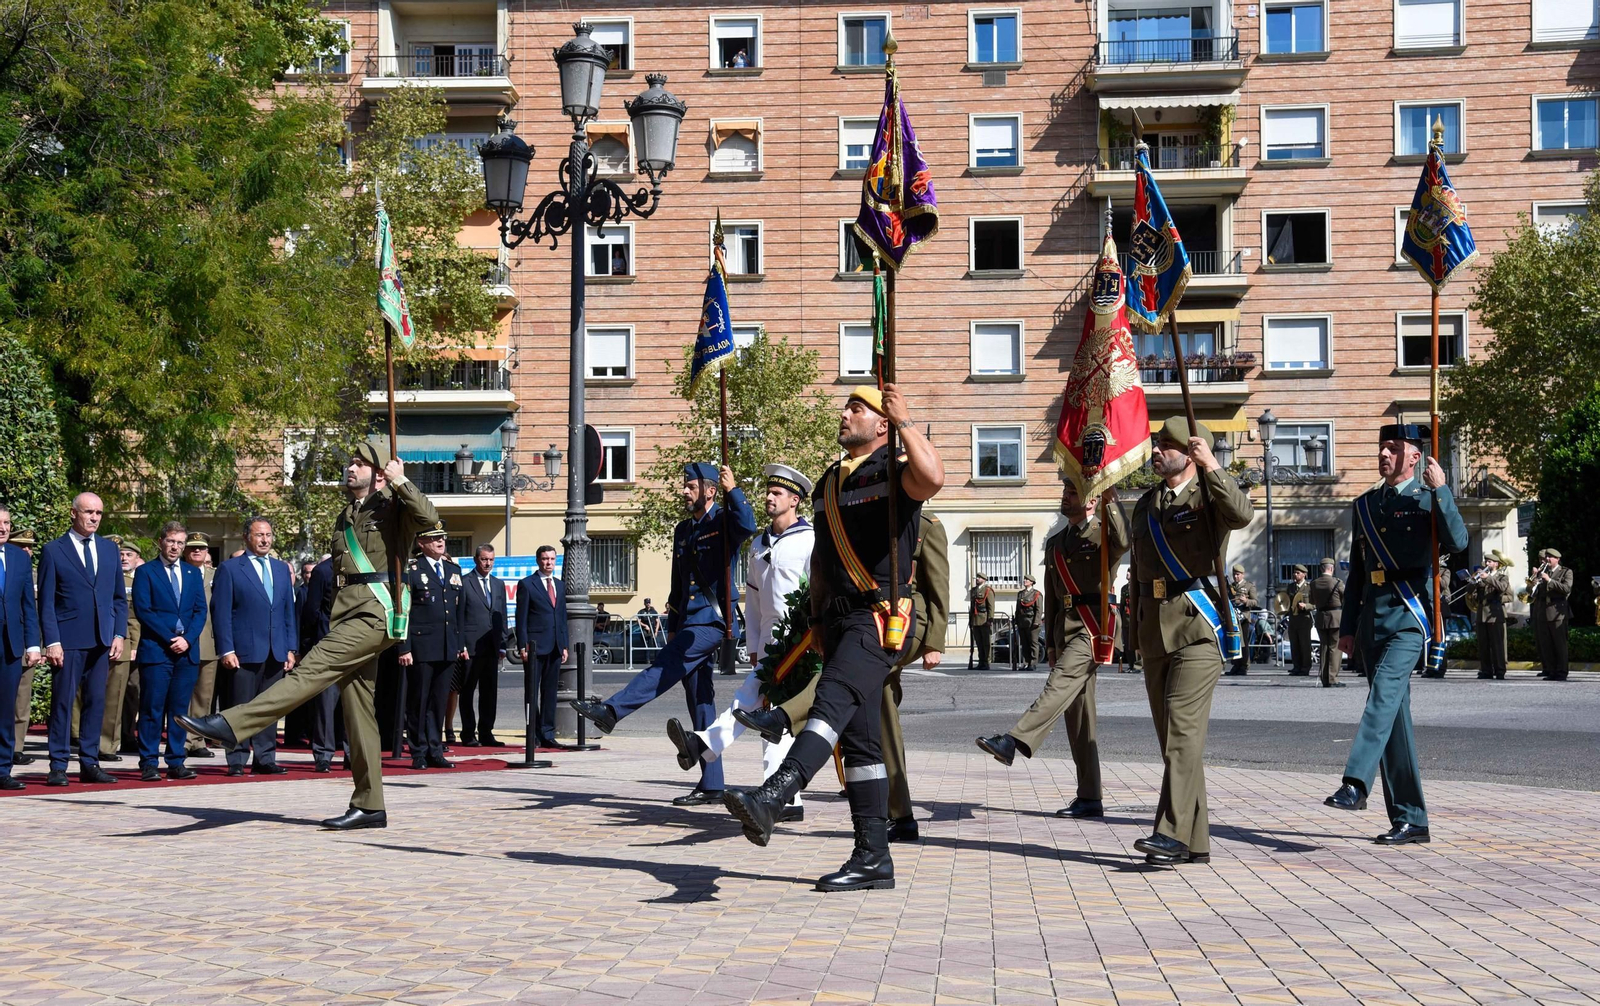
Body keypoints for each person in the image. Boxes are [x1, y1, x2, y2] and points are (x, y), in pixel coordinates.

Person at [723, 384, 944, 892]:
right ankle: (872, 857)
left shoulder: (894, 465)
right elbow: (822, 558)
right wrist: (819, 620)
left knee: (830, 700)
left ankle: (775, 795)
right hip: (839, 619)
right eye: (846, 407)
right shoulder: (827, 481)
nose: (845, 414)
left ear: (881, 421)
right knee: (862, 744)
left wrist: (905, 418)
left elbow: (934, 477)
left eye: (857, 408)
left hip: (881, 615)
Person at [180, 444, 441, 829]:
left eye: (359, 464)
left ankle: (234, 725)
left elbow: (430, 517)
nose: (350, 468)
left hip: (377, 611)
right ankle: (370, 805)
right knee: (358, 712)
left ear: (379, 472)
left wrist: (401, 481)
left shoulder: (393, 505)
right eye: (350, 463)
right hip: (350, 612)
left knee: (309, 672)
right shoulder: (346, 514)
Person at [737, 510, 949, 843]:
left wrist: (935, 641)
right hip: (872, 618)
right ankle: (900, 817)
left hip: (908, 621)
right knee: (882, 722)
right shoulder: (862, 515)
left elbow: (938, 587)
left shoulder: (926, 524)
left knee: (844, 676)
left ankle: (784, 716)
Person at [572, 462, 757, 805]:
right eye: (684, 486)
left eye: (691, 486)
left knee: (665, 667)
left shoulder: (724, 521)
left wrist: (735, 491)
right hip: (687, 621)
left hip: (713, 621)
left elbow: (748, 525)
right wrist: (672, 626)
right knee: (699, 698)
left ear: (710, 491)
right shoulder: (683, 530)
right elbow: (677, 581)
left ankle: (612, 712)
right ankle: (713, 783)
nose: (684, 491)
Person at [1324, 424, 1468, 846]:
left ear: (1414, 456)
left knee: (1383, 696)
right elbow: (1356, 575)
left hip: (1409, 615)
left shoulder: (1427, 499)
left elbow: (1458, 541)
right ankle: (1412, 818)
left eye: (1394, 447)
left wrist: (1442, 490)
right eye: (1382, 446)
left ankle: (1355, 784)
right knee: (1395, 721)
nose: (1385, 453)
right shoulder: (1366, 505)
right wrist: (1348, 628)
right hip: (1373, 619)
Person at [1128, 417, 1253, 866]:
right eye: (1157, 443)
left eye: (1167, 444)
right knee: (1176, 744)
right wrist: (1131, 637)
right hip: (1154, 629)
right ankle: (1195, 841)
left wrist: (1213, 467)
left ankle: (1170, 834)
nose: (1157, 451)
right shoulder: (1145, 505)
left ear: (1190, 451)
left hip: (1198, 627)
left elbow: (1242, 513)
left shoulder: (1210, 496)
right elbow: (1136, 574)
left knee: (1181, 732)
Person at [665, 464, 815, 821]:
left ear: (794, 500)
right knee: (768, 719)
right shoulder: (760, 543)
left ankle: (705, 743)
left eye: (777, 494)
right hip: (769, 638)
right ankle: (785, 800)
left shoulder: (810, 539)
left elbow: (818, 591)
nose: (769, 497)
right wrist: (752, 641)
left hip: (802, 638)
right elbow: (755, 596)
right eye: (767, 492)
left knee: (752, 700)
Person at [976, 478, 1128, 818]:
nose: (1065, 496)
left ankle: (1013, 741)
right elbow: (1055, 595)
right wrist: (1052, 644)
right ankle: (1090, 797)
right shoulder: (1057, 542)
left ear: (1090, 501)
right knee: (1079, 715)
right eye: (1065, 490)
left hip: (1094, 626)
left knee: (1057, 685)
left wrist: (1110, 497)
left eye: (1073, 492)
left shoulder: (1104, 532)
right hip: (1067, 628)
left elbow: (1124, 540)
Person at [38, 492, 127, 786]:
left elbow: (118, 598)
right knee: (63, 703)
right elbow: (47, 602)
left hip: (102, 639)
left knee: (96, 702)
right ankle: (58, 765)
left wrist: (118, 633)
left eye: (99, 513)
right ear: (74, 513)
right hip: (68, 639)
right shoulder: (54, 550)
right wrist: (52, 641)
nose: (94, 518)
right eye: (89, 512)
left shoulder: (109, 549)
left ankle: (90, 762)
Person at [212, 517, 297, 777]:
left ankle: (265, 757)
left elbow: (287, 611)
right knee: (240, 705)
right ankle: (236, 758)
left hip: (276, 650)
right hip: (243, 651)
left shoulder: (282, 569)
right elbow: (221, 612)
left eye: (269, 535)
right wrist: (226, 649)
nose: (265, 540)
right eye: (260, 535)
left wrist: (290, 648)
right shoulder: (231, 569)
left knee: (269, 706)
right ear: (247, 537)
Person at [130, 522, 209, 781]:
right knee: (152, 708)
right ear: (161, 541)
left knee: (179, 711)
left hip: (186, 652)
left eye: (180, 543)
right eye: (171, 541)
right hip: (157, 650)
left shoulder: (192, 573)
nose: (175, 547)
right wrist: (169, 638)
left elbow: (200, 611)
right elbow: (144, 610)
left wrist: (187, 639)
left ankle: (176, 761)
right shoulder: (146, 572)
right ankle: (149, 762)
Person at [398, 523, 468, 769]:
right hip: (421, 645)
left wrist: (460, 644)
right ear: (421, 543)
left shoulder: (453, 569)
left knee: (439, 700)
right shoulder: (412, 569)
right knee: (419, 700)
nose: (441, 542)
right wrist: (404, 647)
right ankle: (418, 751)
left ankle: (435, 750)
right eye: (435, 538)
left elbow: (459, 611)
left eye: (443, 538)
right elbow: (403, 610)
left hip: (447, 644)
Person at [0, 509, 41, 790]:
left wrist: (33, 643)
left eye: (6, 523)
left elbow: (28, 604)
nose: (3, 528)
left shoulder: (18, 558)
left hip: (10, 646)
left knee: (5, 710)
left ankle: (3, 769)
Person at [515, 545, 568, 749]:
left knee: (550, 692)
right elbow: (522, 618)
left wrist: (563, 645)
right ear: (538, 561)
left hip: (555, 646)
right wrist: (523, 645)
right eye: (545, 559)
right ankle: (533, 733)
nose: (549, 563)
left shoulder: (560, 585)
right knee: (532, 692)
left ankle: (547, 733)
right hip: (534, 647)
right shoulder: (527, 584)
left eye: (552, 559)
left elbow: (561, 617)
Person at [458, 544, 510, 747]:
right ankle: (468, 734)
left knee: (489, 692)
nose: (488, 563)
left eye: (491, 560)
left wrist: (503, 644)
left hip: (492, 645)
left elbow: (502, 615)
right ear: (476, 560)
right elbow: (459, 616)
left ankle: (486, 732)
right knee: (468, 690)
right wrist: (460, 644)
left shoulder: (498, 584)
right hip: (470, 647)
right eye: (484, 559)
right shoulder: (465, 583)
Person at [298, 555, 340, 771]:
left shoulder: (363, 566)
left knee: (354, 704)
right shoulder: (323, 571)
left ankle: (354, 753)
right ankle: (323, 753)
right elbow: (312, 611)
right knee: (325, 704)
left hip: (356, 644)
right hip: (328, 645)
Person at [181, 532, 220, 761]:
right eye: (192, 548)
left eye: (201, 548)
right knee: (182, 694)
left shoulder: (217, 575)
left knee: (204, 696)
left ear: (207, 552)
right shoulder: (179, 573)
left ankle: (197, 740)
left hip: (209, 640)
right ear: (186, 551)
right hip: (183, 640)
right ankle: (181, 740)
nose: (197, 551)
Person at [8, 528, 39, 766]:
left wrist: (35, 645)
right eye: (22, 546)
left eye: (30, 547)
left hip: (22, 643)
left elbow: (33, 609)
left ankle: (16, 747)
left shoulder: (32, 571)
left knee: (21, 701)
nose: (27, 551)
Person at [1466, 551, 1512, 680]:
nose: (1487, 563)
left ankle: (1500, 670)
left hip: (1495, 613)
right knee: (1483, 644)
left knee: (1497, 644)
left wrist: (1488, 578)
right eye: (1486, 561)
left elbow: (1502, 588)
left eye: (1490, 561)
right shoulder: (1480, 576)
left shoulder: (1502, 577)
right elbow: (1469, 592)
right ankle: (1486, 670)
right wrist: (1472, 582)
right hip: (1482, 614)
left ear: (1496, 564)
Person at [1529, 548, 1573, 681]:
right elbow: (1531, 593)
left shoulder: (1566, 571)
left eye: (1550, 557)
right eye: (1546, 557)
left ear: (1557, 559)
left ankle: (1562, 672)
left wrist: (1549, 581)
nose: (1547, 559)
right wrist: (1533, 582)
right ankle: (1552, 671)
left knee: (1559, 644)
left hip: (1557, 612)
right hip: (1543, 612)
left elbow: (1566, 589)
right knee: (1546, 644)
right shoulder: (1543, 572)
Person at [1310, 559, 1346, 687]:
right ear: (1331, 568)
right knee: (1334, 648)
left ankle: (1324, 678)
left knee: (1324, 647)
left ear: (1321, 569)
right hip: (1336, 617)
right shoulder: (1337, 582)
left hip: (1321, 617)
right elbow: (1345, 599)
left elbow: (1312, 600)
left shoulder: (1314, 583)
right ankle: (1332, 678)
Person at [1277, 565, 1313, 675]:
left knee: (1304, 645)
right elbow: (1286, 602)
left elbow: (1315, 604)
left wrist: (1306, 606)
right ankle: (1296, 666)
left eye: (1298, 573)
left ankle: (1305, 668)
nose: (1295, 575)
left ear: (1304, 574)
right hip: (1293, 619)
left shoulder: (1309, 587)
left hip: (1304, 620)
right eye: (1294, 572)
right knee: (1294, 644)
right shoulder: (1291, 587)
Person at [1225, 565, 1257, 676]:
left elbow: (1255, 602)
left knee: (1244, 644)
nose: (1235, 576)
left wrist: (1246, 601)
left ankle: (1244, 665)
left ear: (1243, 574)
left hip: (1243, 617)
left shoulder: (1248, 586)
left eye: (1238, 574)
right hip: (1233, 617)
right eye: (1234, 574)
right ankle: (1236, 665)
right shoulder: (1230, 586)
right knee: (1235, 642)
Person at [1013, 576, 1041, 670]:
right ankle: (1026, 662)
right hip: (1022, 622)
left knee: (1033, 643)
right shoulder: (1020, 594)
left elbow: (1038, 609)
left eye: (1027, 580)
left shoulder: (1036, 594)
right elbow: (1018, 608)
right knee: (1024, 644)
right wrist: (1016, 620)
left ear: (1032, 582)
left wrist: (1036, 621)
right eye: (1024, 580)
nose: (1025, 581)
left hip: (1032, 622)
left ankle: (1033, 663)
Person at [969, 573, 995, 670]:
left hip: (984, 619)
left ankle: (986, 662)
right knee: (979, 643)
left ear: (984, 579)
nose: (977, 579)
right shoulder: (974, 590)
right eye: (977, 577)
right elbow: (972, 607)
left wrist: (990, 619)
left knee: (986, 643)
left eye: (979, 578)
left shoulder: (988, 590)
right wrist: (970, 620)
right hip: (975, 619)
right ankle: (981, 662)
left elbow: (991, 606)